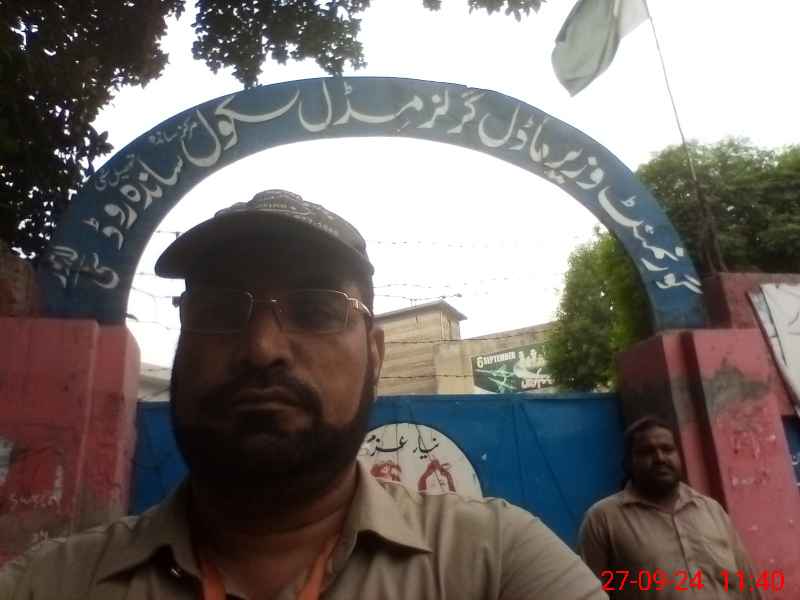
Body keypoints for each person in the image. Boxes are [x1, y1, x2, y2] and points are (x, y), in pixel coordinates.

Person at [1, 189, 607, 599]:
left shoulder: (494, 565)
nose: (262, 347)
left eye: (316, 310)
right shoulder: (52, 584)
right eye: (219, 309)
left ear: (375, 354)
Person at [578, 415, 763, 600]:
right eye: (646, 452)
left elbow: (747, 584)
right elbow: (587, 594)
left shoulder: (712, 510)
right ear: (628, 462)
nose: (660, 458)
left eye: (667, 449)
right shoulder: (603, 519)